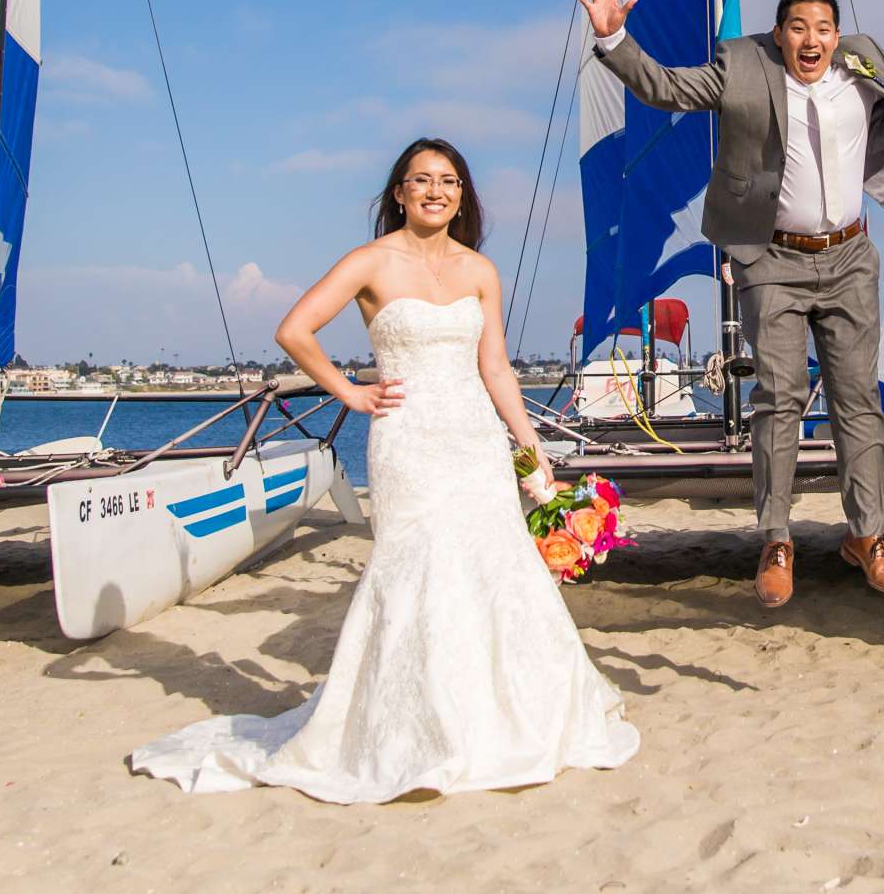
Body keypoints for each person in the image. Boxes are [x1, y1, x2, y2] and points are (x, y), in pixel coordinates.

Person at [129, 138, 639, 802]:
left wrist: (529, 444)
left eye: (449, 181)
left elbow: (495, 367)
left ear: (463, 195)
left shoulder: (480, 270)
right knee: (415, 573)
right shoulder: (371, 262)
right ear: (398, 191)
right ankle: (414, 733)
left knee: (493, 570)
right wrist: (351, 393)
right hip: (407, 445)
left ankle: (500, 721)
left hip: (476, 443)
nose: (435, 191)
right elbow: (295, 330)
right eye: (421, 180)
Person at [577, 0, 884, 609]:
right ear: (780, 35)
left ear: (837, 36)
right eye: (799, 28)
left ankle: (868, 536)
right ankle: (776, 541)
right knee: (779, 396)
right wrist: (616, 39)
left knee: (858, 399)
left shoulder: (861, 66)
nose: (812, 40)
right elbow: (667, 90)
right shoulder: (742, 69)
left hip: (849, 259)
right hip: (773, 260)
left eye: (823, 29)